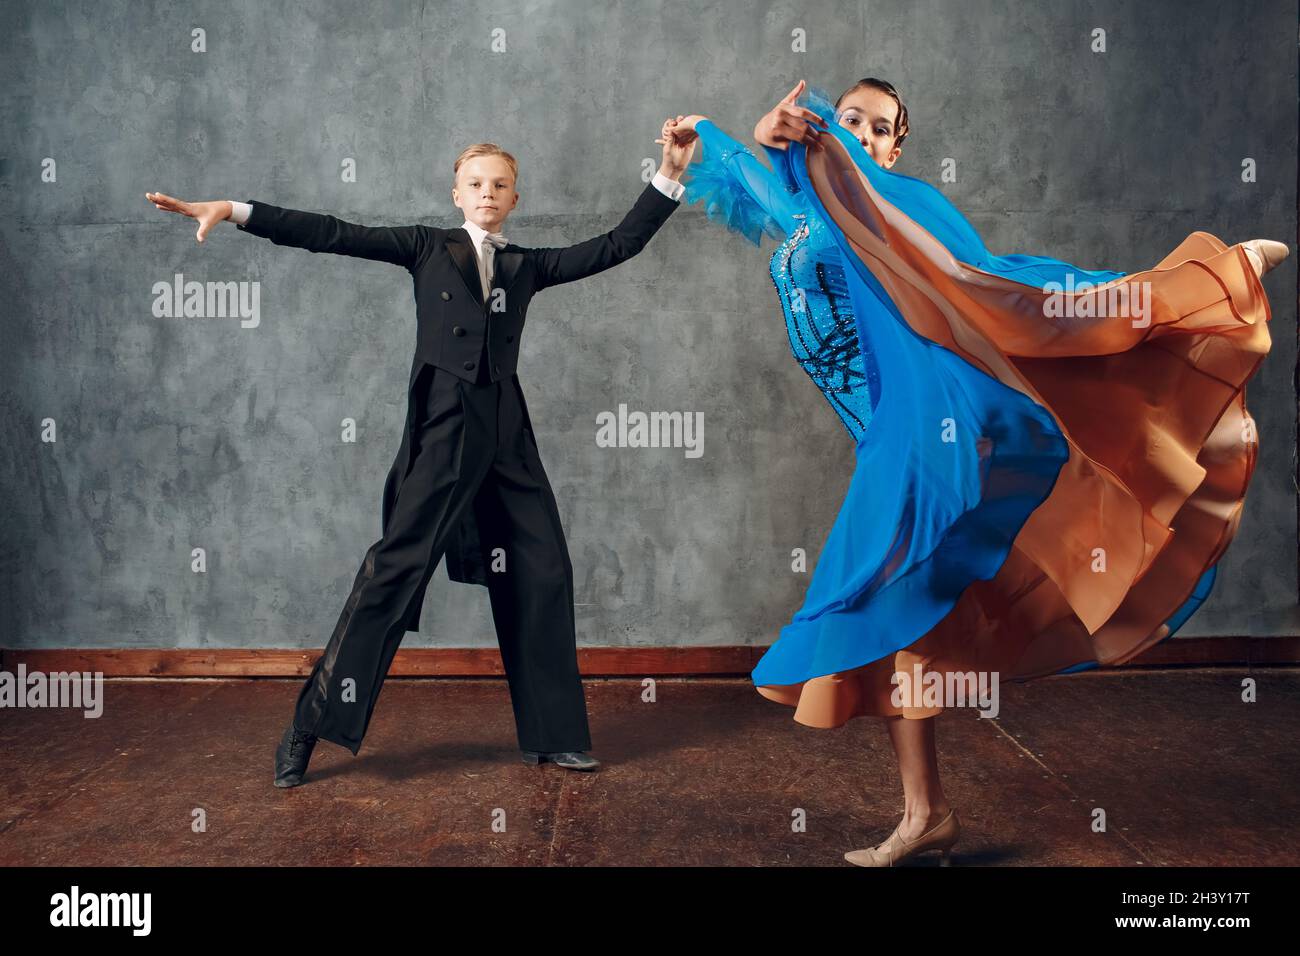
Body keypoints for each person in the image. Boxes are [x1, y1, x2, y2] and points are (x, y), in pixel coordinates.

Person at [664, 78, 1287, 866]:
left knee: (880, 590)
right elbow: (762, 189)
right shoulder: (808, 208)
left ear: (894, 150)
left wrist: (785, 140)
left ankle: (1215, 285)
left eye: (875, 127)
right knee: (907, 611)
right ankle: (926, 813)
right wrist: (709, 144)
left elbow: (994, 287)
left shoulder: (890, 211)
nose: (851, 131)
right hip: (883, 436)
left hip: (932, 429)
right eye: (845, 116)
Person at [145, 123, 696, 787]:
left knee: (544, 571)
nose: (486, 193)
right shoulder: (424, 248)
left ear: (514, 199)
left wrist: (670, 172)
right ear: (456, 195)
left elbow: (616, 245)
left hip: (507, 434)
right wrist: (233, 211)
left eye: (499, 185)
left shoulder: (526, 267)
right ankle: (307, 730)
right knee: (392, 573)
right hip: (445, 427)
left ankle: (554, 738)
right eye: (475, 184)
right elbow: (331, 231)